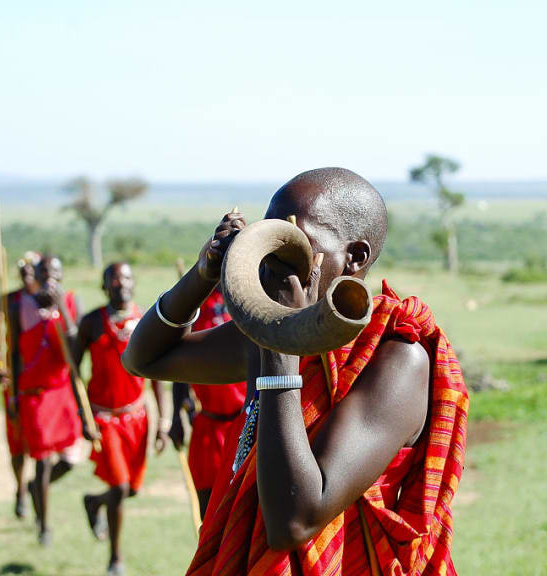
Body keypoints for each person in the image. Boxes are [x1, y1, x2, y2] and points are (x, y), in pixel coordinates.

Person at [122, 168, 469, 575]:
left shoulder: (397, 357)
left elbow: (295, 520)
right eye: (268, 236)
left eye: (293, 240)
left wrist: (279, 339)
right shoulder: (267, 338)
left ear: (353, 257)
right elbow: (145, 358)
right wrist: (203, 275)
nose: (271, 256)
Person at [73, 262, 167, 576]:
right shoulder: (91, 323)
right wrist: (83, 416)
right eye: (113, 278)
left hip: (137, 417)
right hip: (103, 418)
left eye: (126, 277)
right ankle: (115, 559)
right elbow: (73, 373)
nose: (120, 283)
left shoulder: (146, 321)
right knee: (119, 485)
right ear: (104, 286)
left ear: (133, 283)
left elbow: (158, 375)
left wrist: (164, 422)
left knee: (132, 489)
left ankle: (93, 502)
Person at [16, 254, 84, 546]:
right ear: (37, 275)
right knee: (42, 461)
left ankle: (34, 488)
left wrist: (61, 310)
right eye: (44, 272)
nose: (50, 278)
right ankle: (43, 525)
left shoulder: (70, 301)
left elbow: (75, 344)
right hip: (34, 394)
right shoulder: (21, 304)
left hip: (62, 391)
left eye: (55, 272)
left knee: (70, 460)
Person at [169, 288, 246, 519]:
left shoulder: (250, 298)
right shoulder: (192, 306)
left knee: (241, 512)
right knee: (208, 514)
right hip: (208, 426)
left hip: (246, 426)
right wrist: (176, 416)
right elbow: (178, 363)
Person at [0, 251, 40, 519]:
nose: (26, 275)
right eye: (22, 270)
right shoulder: (8, 300)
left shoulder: (46, 303)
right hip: (15, 382)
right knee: (17, 440)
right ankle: (20, 488)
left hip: (40, 382)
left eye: (31, 270)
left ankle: (36, 488)